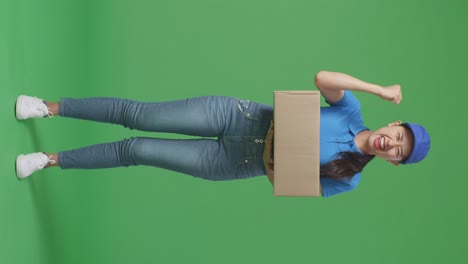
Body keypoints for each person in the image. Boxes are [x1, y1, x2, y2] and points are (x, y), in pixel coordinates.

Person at [15, 71, 431, 197]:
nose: (392, 145)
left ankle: (49, 160)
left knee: (136, 150)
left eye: (399, 153)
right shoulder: (351, 110)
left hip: (234, 164)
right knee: (136, 114)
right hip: (237, 118)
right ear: (394, 125)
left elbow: (293, 187)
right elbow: (323, 77)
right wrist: (379, 88)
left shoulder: (351, 178)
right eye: (399, 137)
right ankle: (47, 108)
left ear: (394, 163)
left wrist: (277, 163)